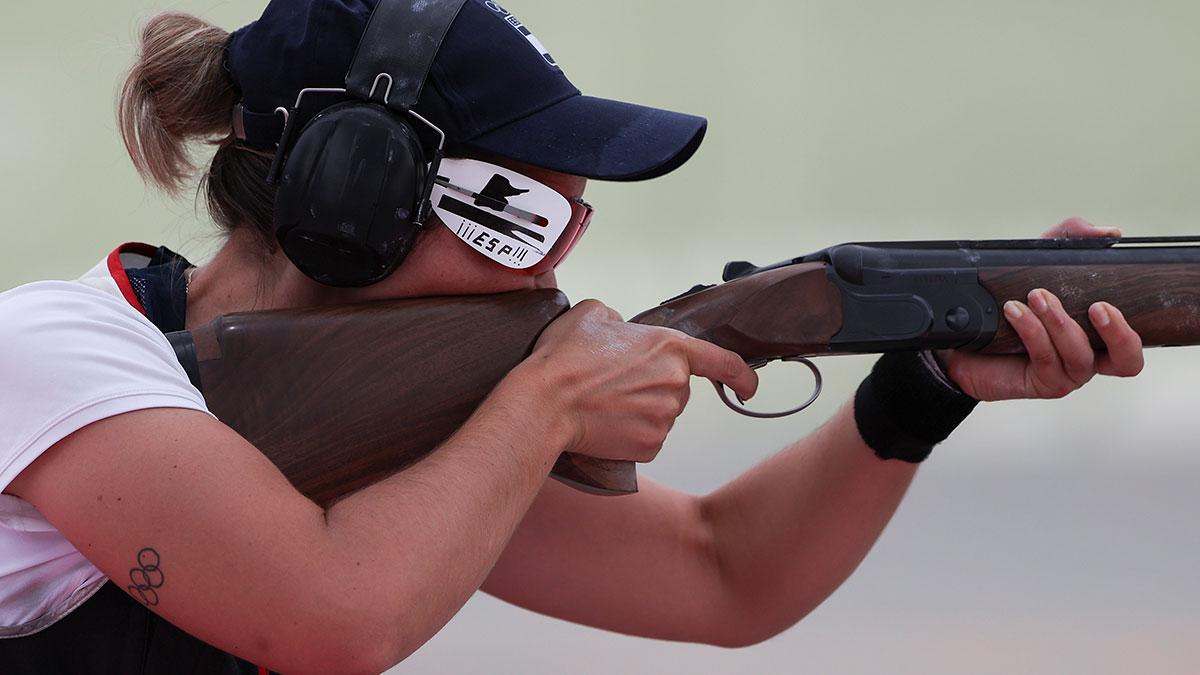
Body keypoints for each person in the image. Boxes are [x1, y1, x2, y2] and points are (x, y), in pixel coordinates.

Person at [0, 1, 1145, 673]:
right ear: (351, 198)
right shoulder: (52, 354)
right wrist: (543, 404)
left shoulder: (399, 438)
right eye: (517, 214)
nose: (554, 262)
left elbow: (723, 577)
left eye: (569, 218)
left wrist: (925, 389)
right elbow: (334, 612)